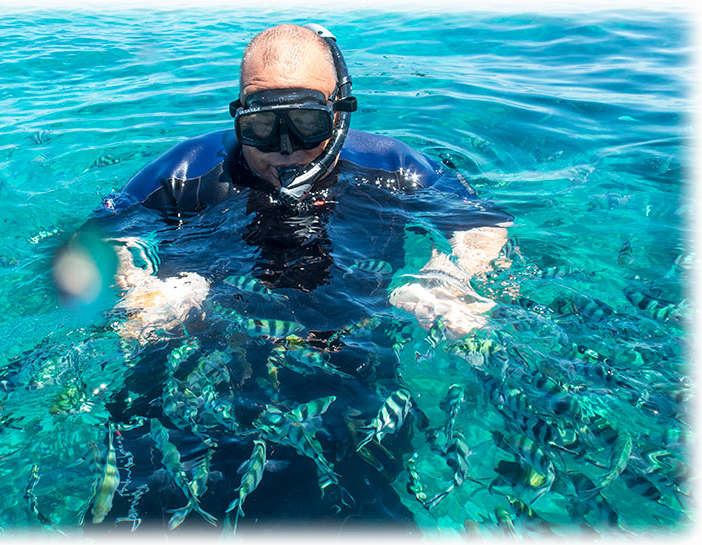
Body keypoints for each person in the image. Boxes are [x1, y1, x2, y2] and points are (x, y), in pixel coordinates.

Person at [62, 23, 514, 531]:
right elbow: (95, 240)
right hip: (201, 348)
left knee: (360, 502)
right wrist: (143, 285)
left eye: (305, 123)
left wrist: (449, 277)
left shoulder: (390, 165)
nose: (284, 147)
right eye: (261, 127)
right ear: (237, 117)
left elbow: (484, 225)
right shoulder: (185, 170)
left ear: (339, 113)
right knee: (142, 503)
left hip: (345, 352)